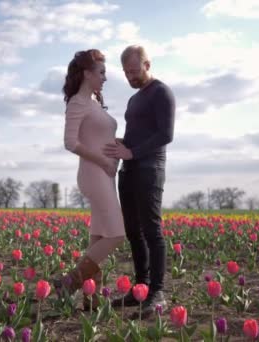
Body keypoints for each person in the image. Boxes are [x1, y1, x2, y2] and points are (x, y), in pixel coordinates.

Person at [103, 45, 175, 317]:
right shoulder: (134, 99)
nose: (130, 76)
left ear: (147, 64)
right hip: (129, 170)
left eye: (134, 70)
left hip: (150, 168)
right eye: (126, 72)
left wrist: (132, 151)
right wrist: (120, 144)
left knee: (152, 230)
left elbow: (165, 134)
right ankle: (140, 288)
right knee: (133, 231)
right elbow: (137, 134)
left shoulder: (161, 92)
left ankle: (157, 292)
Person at [53, 49, 125, 310]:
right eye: (102, 72)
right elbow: (70, 143)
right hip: (94, 174)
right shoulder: (77, 103)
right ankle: (69, 282)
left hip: (105, 175)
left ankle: (91, 299)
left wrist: (118, 148)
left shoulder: (94, 103)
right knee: (117, 234)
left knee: (99, 235)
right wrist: (104, 161)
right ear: (87, 74)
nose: (105, 78)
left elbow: (100, 136)